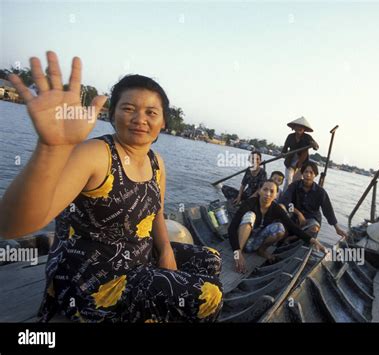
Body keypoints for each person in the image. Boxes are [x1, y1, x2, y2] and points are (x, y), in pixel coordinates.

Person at [0, 51, 223, 323]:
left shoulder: (157, 163)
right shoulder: (96, 154)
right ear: (112, 114)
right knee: (209, 295)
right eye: (128, 108)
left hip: (138, 260)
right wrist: (50, 148)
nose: (140, 118)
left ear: (163, 122)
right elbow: (13, 225)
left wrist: (165, 250)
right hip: (94, 280)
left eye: (151, 112)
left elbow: (156, 213)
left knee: (211, 259)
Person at [229, 180, 327, 273]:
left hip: (255, 242)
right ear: (259, 191)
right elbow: (232, 227)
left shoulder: (275, 208)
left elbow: (293, 227)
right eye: (265, 189)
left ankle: (261, 250)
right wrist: (237, 252)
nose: (268, 194)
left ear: (276, 195)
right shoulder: (250, 203)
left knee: (280, 228)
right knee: (250, 215)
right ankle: (239, 255)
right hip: (242, 241)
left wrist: (314, 241)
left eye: (272, 191)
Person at [279, 161, 347, 239]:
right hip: (294, 216)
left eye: (311, 172)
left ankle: (292, 238)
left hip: (311, 219)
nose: (308, 175)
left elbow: (328, 211)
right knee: (281, 207)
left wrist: (337, 228)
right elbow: (285, 201)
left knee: (314, 228)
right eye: (306, 172)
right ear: (302, 173)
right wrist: (298, 213)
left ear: (315, 175)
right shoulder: (294, 186)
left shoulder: (320, 192)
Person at [282, 117, 319, 191]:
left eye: (301, 127)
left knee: (298, 182)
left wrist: (313, 144)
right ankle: (285, 196)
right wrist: (283, 154)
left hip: (302, 163)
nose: (299, 128)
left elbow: (316, 147)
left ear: (304, 129)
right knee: (288, 180)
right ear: (294, 128)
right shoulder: (290, 136)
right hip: (290, 161)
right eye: (298, 127)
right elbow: (285, 149)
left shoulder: (307, 137)